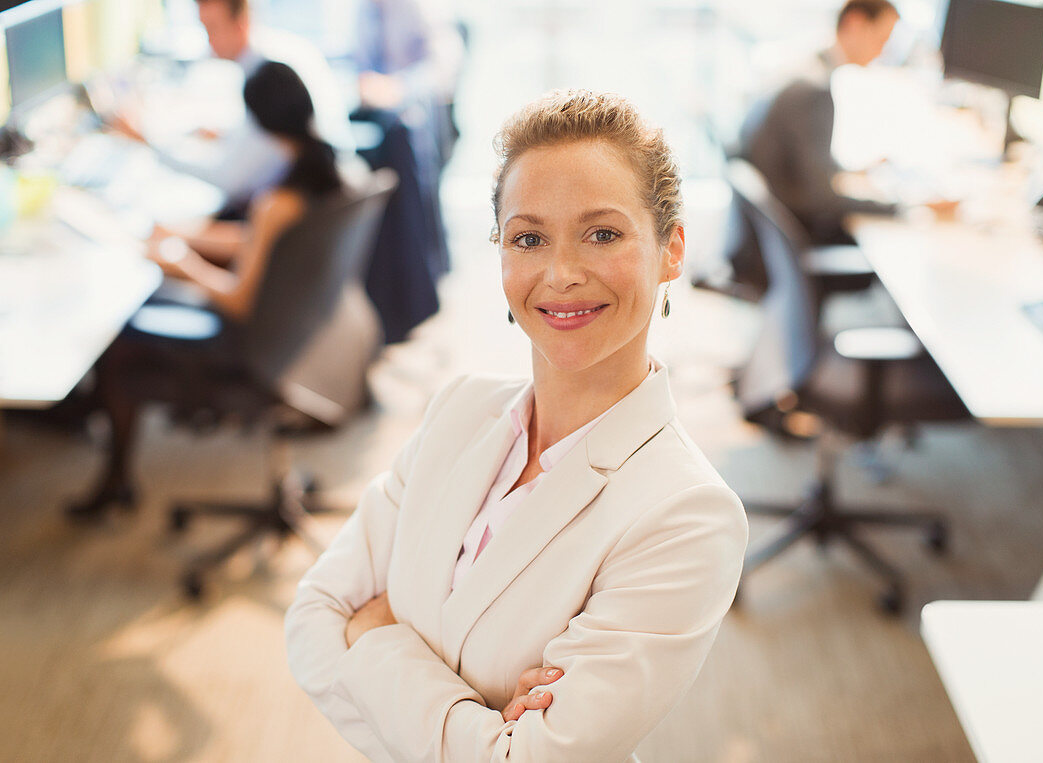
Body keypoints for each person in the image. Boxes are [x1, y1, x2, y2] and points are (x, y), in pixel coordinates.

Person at [284, 90, 749, 760]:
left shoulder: (688, 514)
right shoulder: (459, 409)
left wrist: (373, 632)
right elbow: (310, 620)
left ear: (672, 249)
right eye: (529, 238)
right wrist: (479, 718)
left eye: (604, 233)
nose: (561, 274)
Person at [69, 61, 347, 519]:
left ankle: (116, 481)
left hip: (252, 347)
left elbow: (239, 296)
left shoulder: (278, 200)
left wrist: (182, 263)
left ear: (259, 122)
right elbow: (261, 242)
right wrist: (186, 235)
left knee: (118, 345)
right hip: (296, 329)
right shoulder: (323, 170)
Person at [115, 0, 354, 217]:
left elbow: (230, 179)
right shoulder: (281, 55)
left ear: (242, 23)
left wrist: (147, 142)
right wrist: (225, 135)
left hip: (290, 211)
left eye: (212, 29)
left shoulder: (268, 80)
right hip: (318, 195)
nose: (207, 42)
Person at [738, 0, 902, 245]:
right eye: (882, 40)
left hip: (774, 230)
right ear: (855, 24)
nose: (883, 52)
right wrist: (901, 207)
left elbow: (802, 161)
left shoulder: (806, 70)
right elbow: (820, 197)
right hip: (799, 231)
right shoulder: (814, 90)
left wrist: (849, 170)